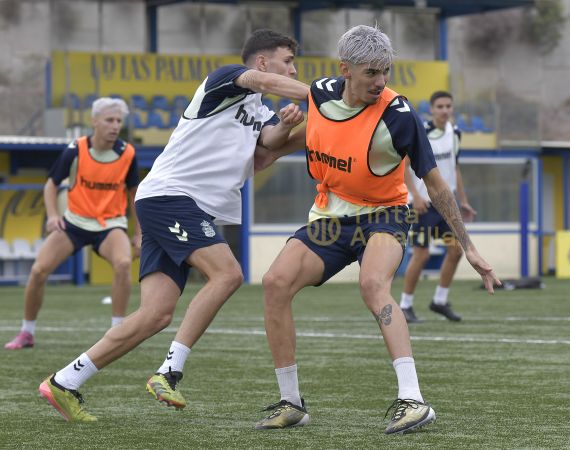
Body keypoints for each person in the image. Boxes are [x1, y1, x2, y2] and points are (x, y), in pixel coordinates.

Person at [38, 29, 309, 422]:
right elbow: (265, 83)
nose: (292, 70)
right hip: (172, 199)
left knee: (155, 314)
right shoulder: (226, 79)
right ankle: (169, 371)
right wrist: (322, 94)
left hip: (173, 204)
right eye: (288, 62)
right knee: (228, 274)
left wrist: (288, 123)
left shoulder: (261, 110)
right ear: (264, 61)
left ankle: (64, 382)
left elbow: (268, 143)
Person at [255, 25, 500, 435]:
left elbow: (437, 185)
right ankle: (291, 403)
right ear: (345, 70)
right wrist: (269, 144)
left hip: (385, 215)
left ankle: (413, 401)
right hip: (331, 218)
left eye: (385, 71)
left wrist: (468, 246)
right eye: (371, 72)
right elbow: (284, 104)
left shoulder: (400, 118)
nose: (381, 80)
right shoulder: (321, 92)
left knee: (373, 285)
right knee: (274, 282)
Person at [4, 98, 141, 350]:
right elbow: (50, 185)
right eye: (109, 120)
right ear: (95, 121)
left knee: (123, 263)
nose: (115, 126)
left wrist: (139, 233)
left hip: (110, 225)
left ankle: (117, 332)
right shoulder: (75, 149)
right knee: (38, 271)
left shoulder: (128, 153)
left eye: (119, 121)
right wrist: (53, 215)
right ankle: (27, 332)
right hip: (74, 223)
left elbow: (134, 194)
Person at [399, 91, 476, 323]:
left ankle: (439, 301)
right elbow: (404, 167)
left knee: (456, 250)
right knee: (421, 254)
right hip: (423, 205)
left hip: (446, 205)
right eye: (440, 106)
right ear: (431, 109)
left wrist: (463, 201)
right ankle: (405, 305)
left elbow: (455, 168)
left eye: (448, 106)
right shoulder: (422, 132)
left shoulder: (455, 134)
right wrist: (415, 197)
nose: (444, 110)